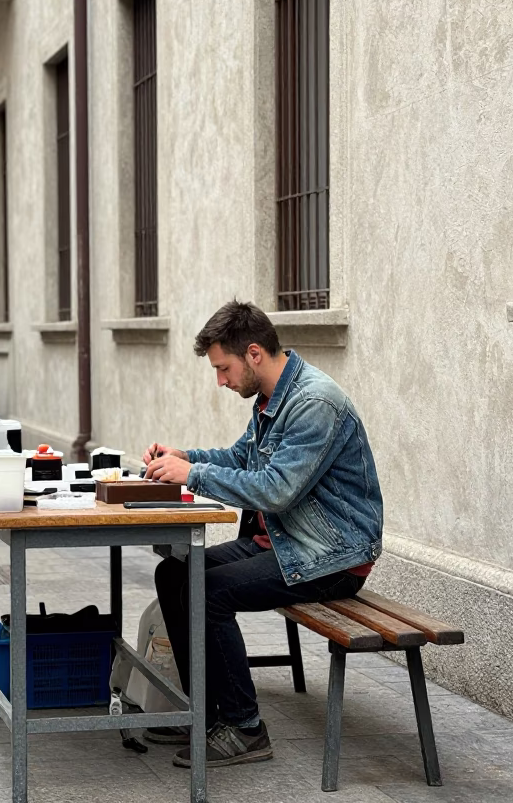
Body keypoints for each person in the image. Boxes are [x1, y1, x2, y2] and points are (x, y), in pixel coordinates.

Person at [144, 301, 383, 769]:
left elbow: (276, 490)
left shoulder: (314, 403)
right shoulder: (271, 398)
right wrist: (184, 457)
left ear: (253, 353)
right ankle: (204, 716)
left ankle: (245, 728)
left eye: (223, 368)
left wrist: (192, 475)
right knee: (172, 575)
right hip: (284, 539)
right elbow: (240, 459)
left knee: (209, 591)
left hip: (331, 556)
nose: (221, 381)